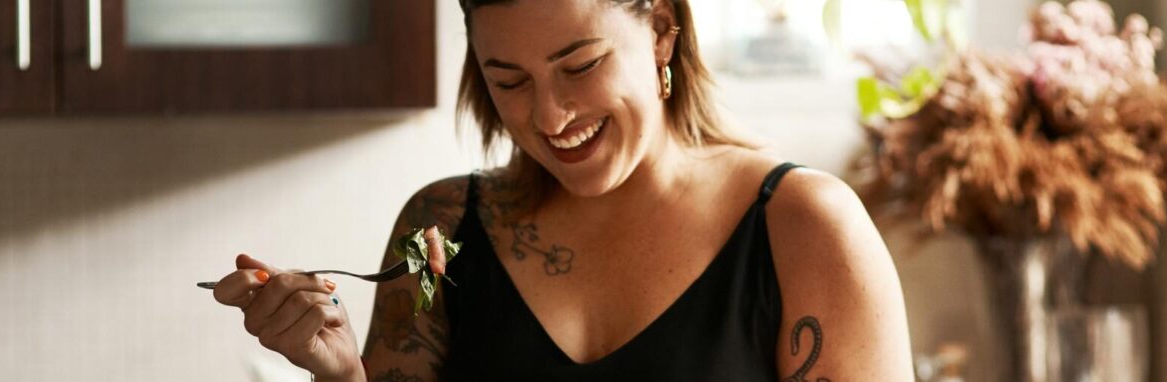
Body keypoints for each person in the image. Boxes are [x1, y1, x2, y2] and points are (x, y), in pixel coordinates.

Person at [211, 0, 913, 380]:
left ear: (661, 32)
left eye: (579, 65)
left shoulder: (804, 229)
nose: (548, 117)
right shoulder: (442, 227)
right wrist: (337, 378)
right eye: (509, 81)